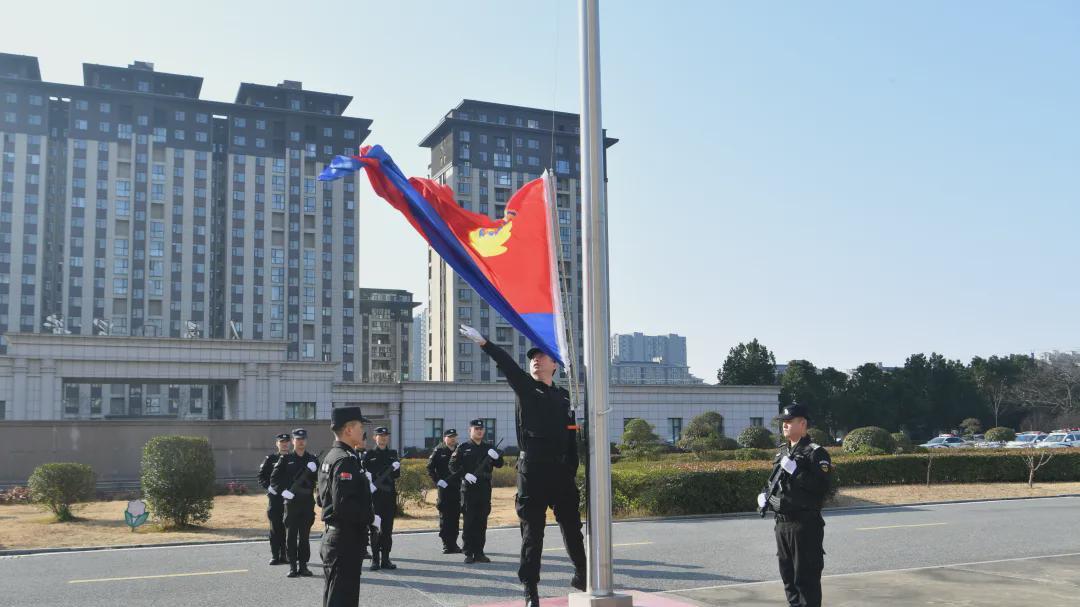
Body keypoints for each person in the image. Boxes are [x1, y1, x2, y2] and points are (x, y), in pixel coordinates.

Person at [460, 324, 586, 606]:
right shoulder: (527, 388)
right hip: (533, 471)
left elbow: (571, 437)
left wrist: (571, 469)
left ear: (554, 364)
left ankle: (582, 572)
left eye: (541, 356)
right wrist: (485, 343)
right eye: (532, 357)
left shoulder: (564, 396)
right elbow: (507, 365)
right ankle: (530, 588)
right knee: (533, 532)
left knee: (571, 525)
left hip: (560, 471)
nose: (535, 360)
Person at [757, 403, 832, 607]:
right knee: (788, 578)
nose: (785, 426)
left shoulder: (815, 453)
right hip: (782, 525)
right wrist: (764, 496)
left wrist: (797, 472)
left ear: (803, 423)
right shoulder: (782, 451)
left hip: (804, 525)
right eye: (783, 422)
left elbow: (822, 487)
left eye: (789, 422)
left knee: (806, 581)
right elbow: (773, 483)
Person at [319, 406, 380, 607]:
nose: (364, 431)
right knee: (343, 599)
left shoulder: (332, 457)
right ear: (348, 430)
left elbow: (321, 500)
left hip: (338, 538)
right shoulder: (344, 461)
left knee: (337, 597)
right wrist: (371, 518)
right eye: (360, 426)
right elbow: (343, 506)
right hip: (345, 540)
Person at [448, 418, 504, 564]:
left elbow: (500, 464)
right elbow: (453, 466)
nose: (479, 431)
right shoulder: (463, 447)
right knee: (469, 521)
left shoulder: (488, 448)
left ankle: (479, 552)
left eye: (481, 429)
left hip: (484, 488)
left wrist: (497, 456)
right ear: (470, 431)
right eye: (476, 429)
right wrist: (464, 475)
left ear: (483, 431)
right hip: (468, 489)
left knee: (481, 521)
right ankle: (468, 552)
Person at [271, 427, 319, 578]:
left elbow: (321, 479)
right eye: (298, 439)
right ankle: (292, 566)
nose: (301, 442)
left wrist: (315, 470)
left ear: (306, 440)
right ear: (293, 441)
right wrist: (282, 491)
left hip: (306, 502)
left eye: (303, 439)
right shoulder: (285, 459)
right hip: (291, 503)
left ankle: (303, 566)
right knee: (291, 536)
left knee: (304, 536)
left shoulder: (312, 459)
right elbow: (274, 479)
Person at [361, 426, 401, 571]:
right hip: (375, 498)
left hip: (389, 497)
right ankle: (375, 560)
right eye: (380, 435)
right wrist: (370, 481)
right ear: (374, 437)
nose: (383, 438)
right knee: (375, 529)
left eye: (385, 435)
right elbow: (363, 473)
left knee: (387, 530)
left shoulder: (392, 454)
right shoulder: (368, 454)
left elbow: (397, 475)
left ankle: (386, 559)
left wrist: (395, 469)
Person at [427, 428, 463, 553]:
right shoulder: (439, 450)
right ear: (444, 438)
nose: (452, 439)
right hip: (444, 489)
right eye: (450, 436)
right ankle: (446, 544)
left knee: (455, 516)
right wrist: (437, 481)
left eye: (454, 436)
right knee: (445, 517)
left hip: (457, 488)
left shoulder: (460, 450)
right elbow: (430, 468)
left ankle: (454, 543)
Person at [258, 433, 291, 565]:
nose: (284, 444)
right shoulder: (270, 459)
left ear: (290, 443)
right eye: (281, 442)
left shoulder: (294, 458)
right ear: (277, 444)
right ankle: (275, 555)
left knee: (288, 529)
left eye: (286, 441)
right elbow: (261, 476)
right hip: (275, 499)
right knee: (275, 528)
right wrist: (268, 487)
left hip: (289, 499)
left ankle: (286, 555)